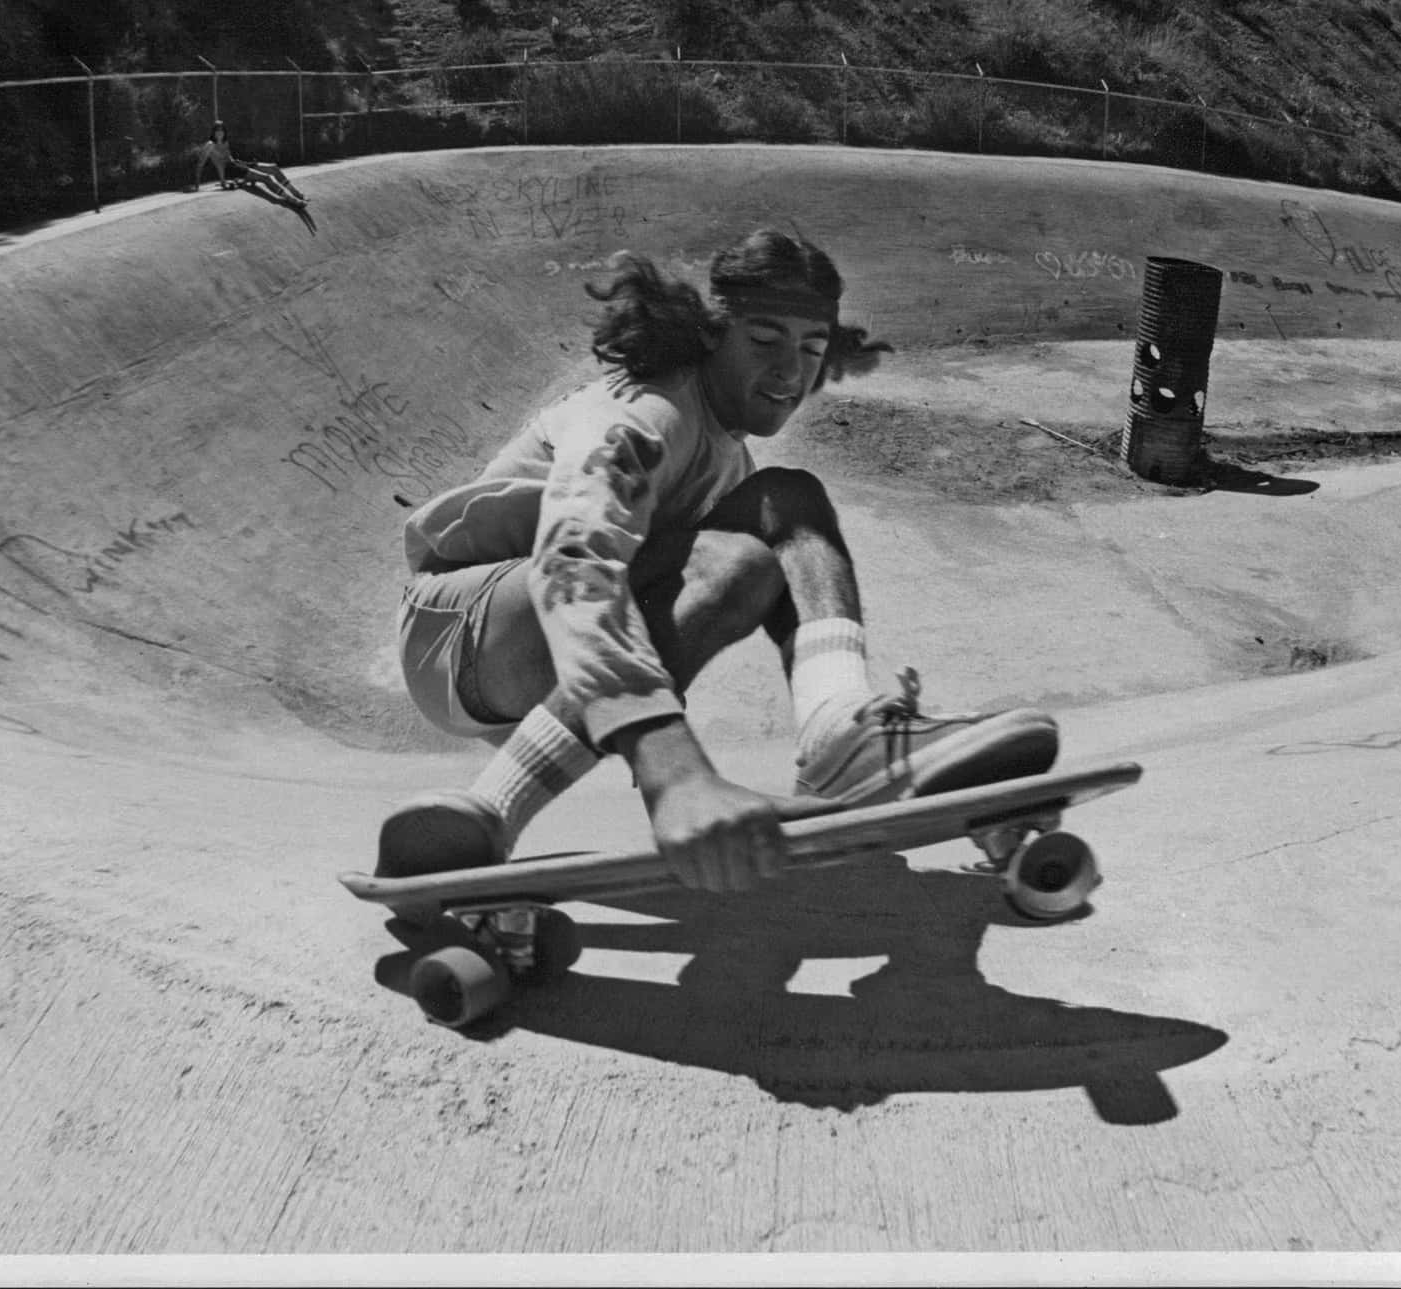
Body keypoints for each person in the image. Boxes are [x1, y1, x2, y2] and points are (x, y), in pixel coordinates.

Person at [380, 229, 1059, 893]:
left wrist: (943, 795)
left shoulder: (727, 456)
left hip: (527, 655)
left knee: (781, 516)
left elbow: (675, 620)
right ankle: (500, 804)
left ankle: (843, 735)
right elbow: (575, 569)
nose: (790, 371)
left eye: (811, 349)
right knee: (760, 533)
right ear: (713, 334)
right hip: (461, 629)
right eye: (763, 340)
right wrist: (675, 775)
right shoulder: (644, 417)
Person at [191, 121, 316, 232]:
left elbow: (230, 159)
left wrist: (243, 164)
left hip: (236, 165)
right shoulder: (209, 145)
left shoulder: (225, 143)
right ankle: (291, 199)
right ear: (213, 132)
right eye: (217, 131)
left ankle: (297, 193)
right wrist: (199, 185)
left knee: (273, 168)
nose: (220, 133)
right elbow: (201, 164)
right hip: (232, 171)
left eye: (222, 130)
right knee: (266, 177)